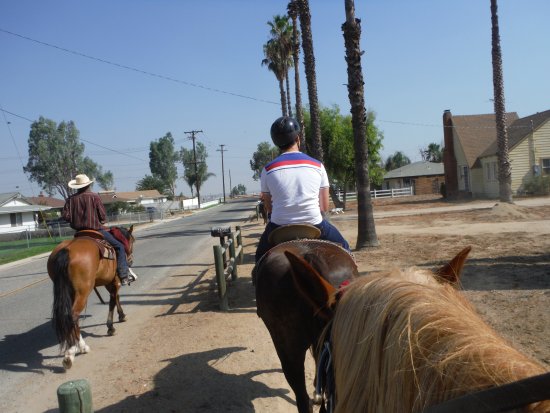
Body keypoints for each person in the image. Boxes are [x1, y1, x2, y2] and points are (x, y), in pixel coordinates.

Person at [255, 116, 350, 263]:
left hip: (278, 225)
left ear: (276, 143)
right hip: (314, 223)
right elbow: (324, 206)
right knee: (345, 249)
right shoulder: (318, 166)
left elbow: (269, 207)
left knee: (259, 259)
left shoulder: (267, 169)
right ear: (298, 139)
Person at [62, 174, 136, 285]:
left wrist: (75, 219)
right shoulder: (94, 197)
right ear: (88, 185)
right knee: (119, 247)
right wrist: (100, 220)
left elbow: (65, 216)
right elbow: (103, 216)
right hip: (96, 231)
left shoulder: (70, 200)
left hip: (79, 234)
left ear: (77, 187)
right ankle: (124, 275)